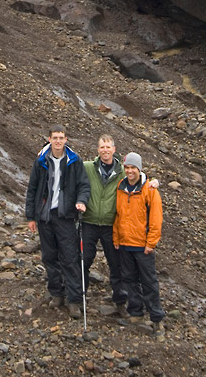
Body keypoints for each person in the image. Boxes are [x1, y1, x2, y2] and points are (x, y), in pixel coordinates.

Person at [26, 125, 90, 318]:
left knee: (70, 258)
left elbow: (84, 186)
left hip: (66, 216)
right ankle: (56, 293)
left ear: (66, 139)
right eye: (55, 138)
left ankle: (74, 300)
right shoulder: (41, 161)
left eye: (61, 138)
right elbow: (33, 188)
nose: (58, 141)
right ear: (49, 139)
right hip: (45, 217)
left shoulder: (74, 161)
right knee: (49, 257)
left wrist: (81, 201)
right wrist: (30, 216)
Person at [112, 152, 165, 339]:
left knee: (149, 282)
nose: (129, 171)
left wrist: (151, 243)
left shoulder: (149, 190)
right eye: (127, 168)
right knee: (129, 280)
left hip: (143, 246)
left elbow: (156, 219)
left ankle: (157, 319)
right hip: (125, 244)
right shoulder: (121, 187)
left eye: (133, 168)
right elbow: (118, 216)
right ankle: (135, 313)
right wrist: (117, 239)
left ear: (139, 169)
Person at [82, 134, 127, 316]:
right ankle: (78, 298)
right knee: (83, 260)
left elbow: (139, 179)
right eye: (102, 147)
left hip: (111, 225)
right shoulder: (87, 167)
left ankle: (121, 302)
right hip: (89, 222)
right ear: (98, 149)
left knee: (116, 264)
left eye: (108, 147)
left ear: (114, 150)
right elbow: (66, 165)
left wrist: (153, 181)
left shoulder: (123, 172)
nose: (105, 150)